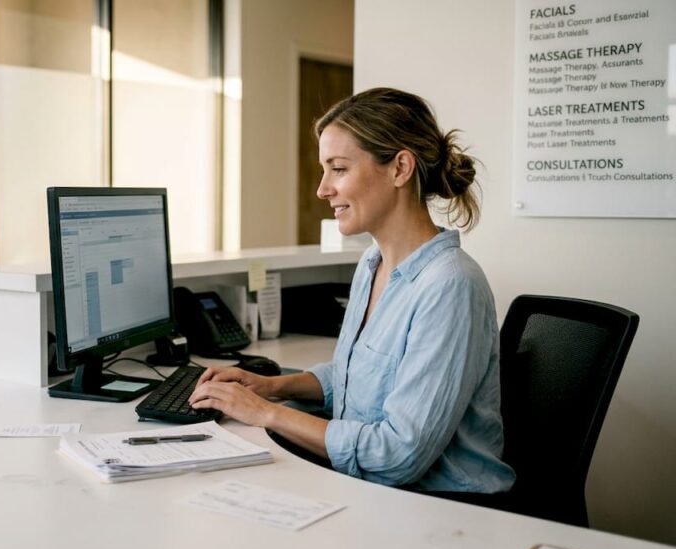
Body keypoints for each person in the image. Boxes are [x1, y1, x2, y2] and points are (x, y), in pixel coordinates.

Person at [189, 87, 515, 494]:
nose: (322, 189)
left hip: (440, 506)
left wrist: (265, 413)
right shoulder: (372, 264)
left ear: (400, 168)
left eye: (339, 169)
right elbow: (359, 379)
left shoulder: (451, 285)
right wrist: (272, 387)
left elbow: (398, 454)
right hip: (376, 492)